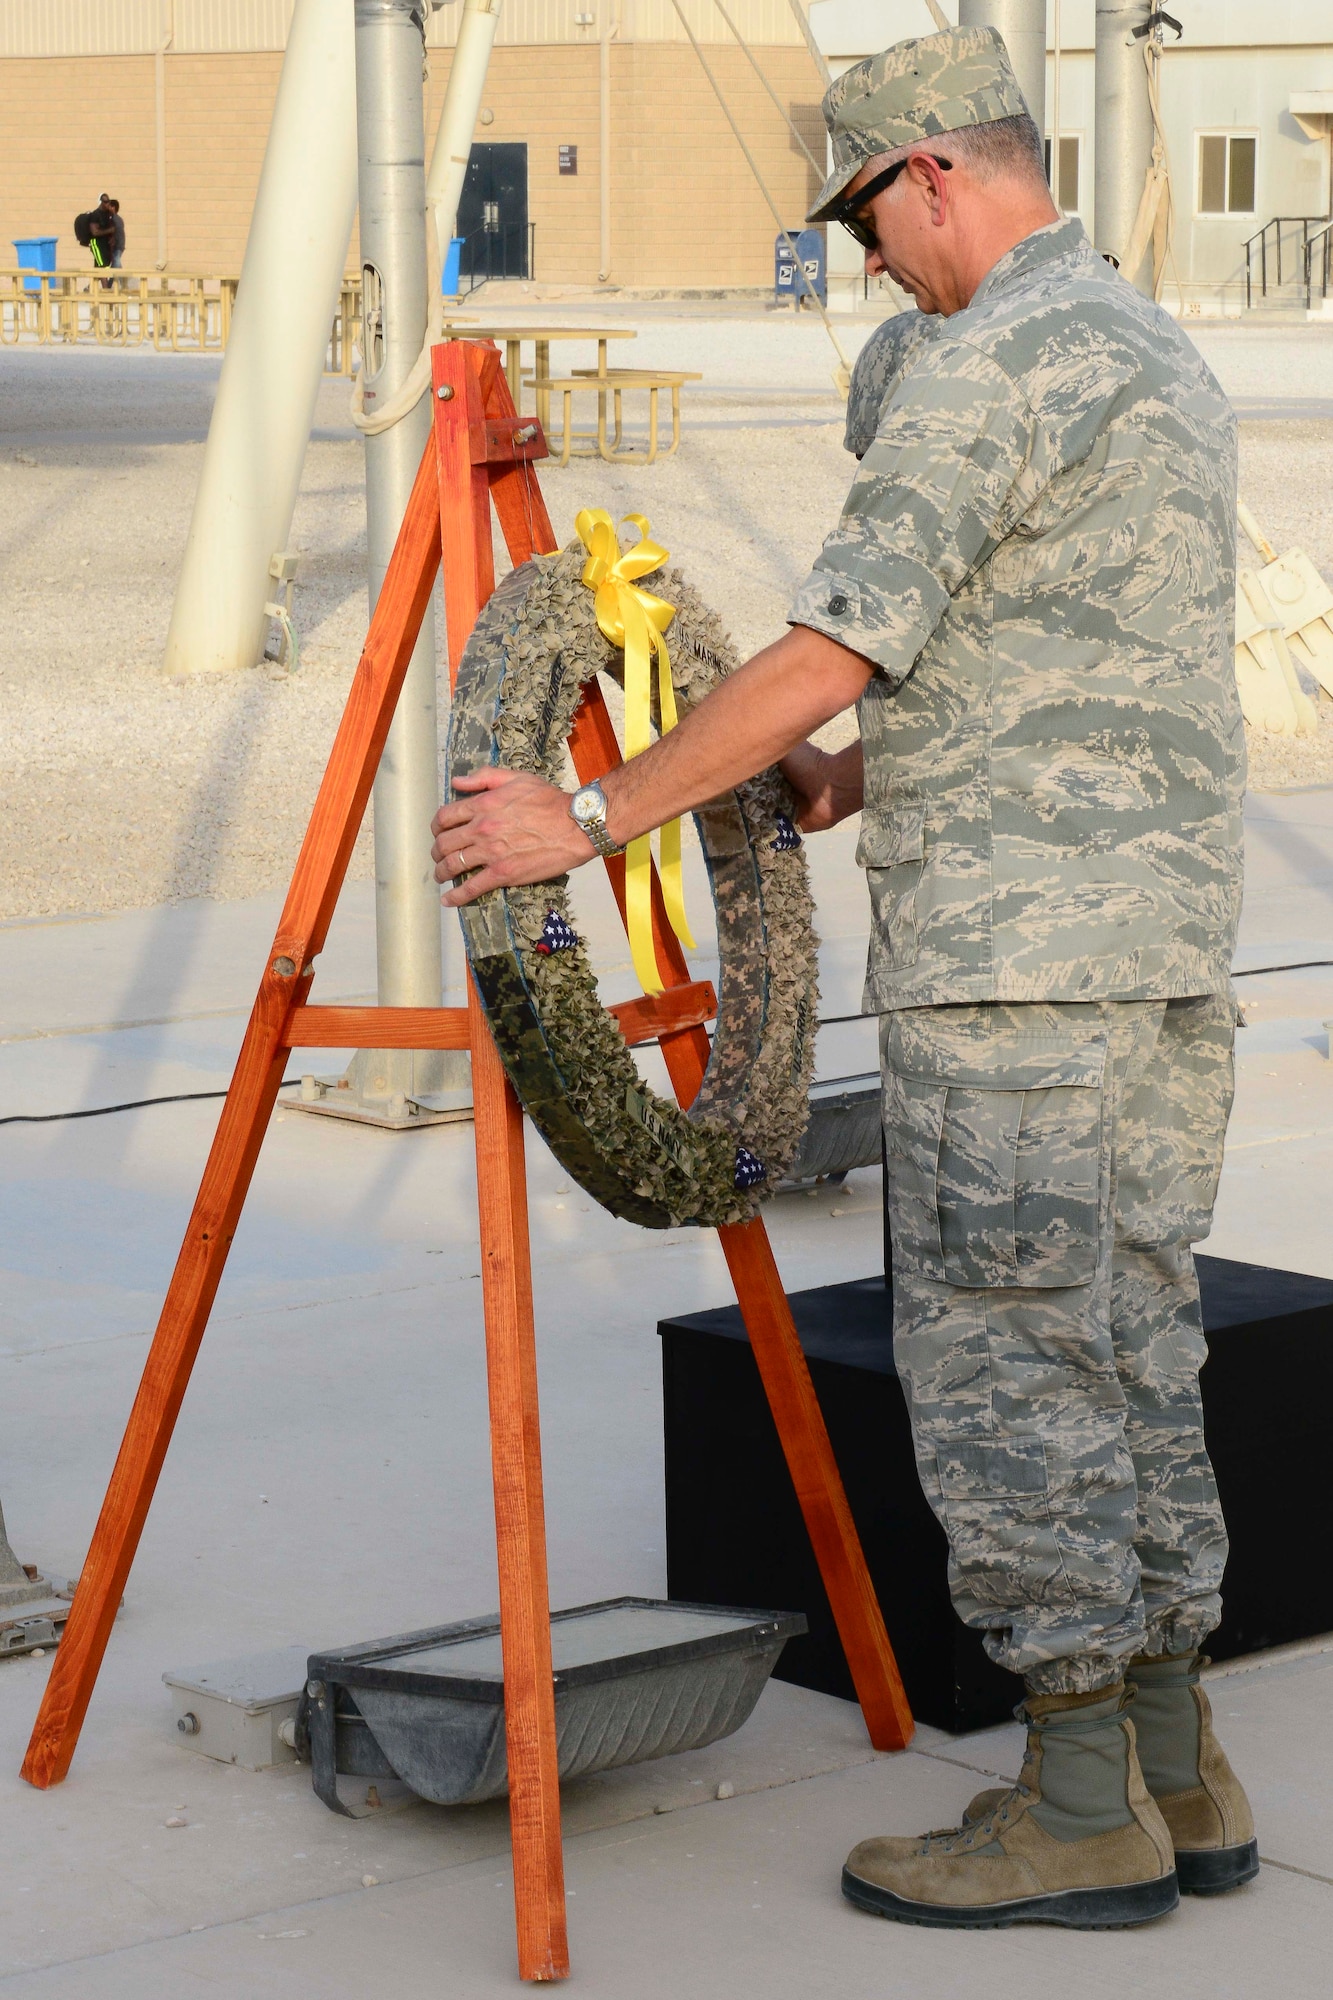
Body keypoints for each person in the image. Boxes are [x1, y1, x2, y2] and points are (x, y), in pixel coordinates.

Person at [430, 22, 1251, 1930]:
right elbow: (1055, 657)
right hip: (1150, 961)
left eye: (868, 219)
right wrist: (854, 773)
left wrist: (596, 816)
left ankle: (1069, 1808)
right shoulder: (1149, 350)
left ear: (934, 179)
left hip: (1010, 975)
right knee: (1132, 1341)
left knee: (1007, 1360)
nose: (867, 260)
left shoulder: (983, 367)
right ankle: (1175, 1766)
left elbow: (829, 640)